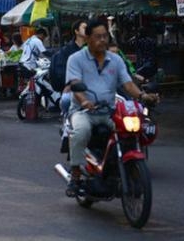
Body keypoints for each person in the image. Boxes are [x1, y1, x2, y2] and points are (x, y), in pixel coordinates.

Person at [64, 20, 158, 197]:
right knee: (81, 131)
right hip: (83, 111)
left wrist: (143, 96)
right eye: (98, 37)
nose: (102, 40)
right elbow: (75, 84)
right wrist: (84, 101)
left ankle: (120, 167)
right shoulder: (75, 59)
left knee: (130, 130)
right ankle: (75, 174)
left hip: (109, 111)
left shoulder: (115, 60)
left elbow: (128, 84)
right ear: (88, 38)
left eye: (105, 36)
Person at [50, 20, 87, 113]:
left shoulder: (92, 48)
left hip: (92, 88)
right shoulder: (66, 51)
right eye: (84, 28)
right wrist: (69, 85)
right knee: (66, 101)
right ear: (76, 31)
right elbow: (61, 72)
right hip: (73, 89)